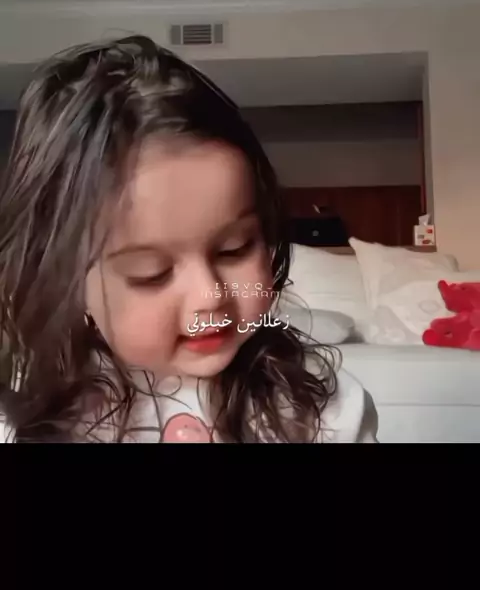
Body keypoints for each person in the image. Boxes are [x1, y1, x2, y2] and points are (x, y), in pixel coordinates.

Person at [0, 35, 378, 443]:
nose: (209, 296)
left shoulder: (314, 401)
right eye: (152, 273)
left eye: (234, 249)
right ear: (69, 280)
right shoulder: (39, 417)